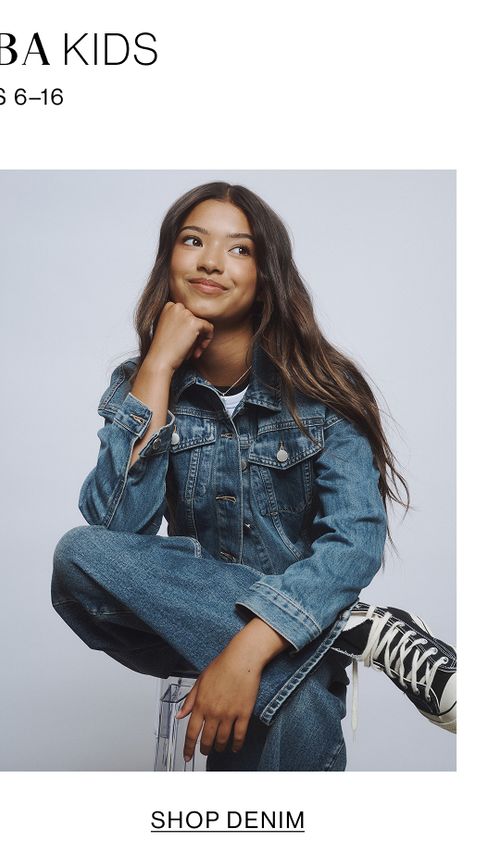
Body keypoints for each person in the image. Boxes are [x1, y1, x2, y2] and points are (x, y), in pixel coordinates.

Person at [51, 182, 456, 772]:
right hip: (197, 625)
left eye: (239, 249)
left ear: (268, 275)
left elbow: (354, 541)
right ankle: (347, 632)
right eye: (193, 241)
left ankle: (309, 644)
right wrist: (158, 369)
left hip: (292, 626)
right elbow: (116, 532)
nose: (211, 261)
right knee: (79, 557)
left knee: (297, 709)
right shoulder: (140, 382)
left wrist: (249, 650)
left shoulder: (324, 389)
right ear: (169, 258)